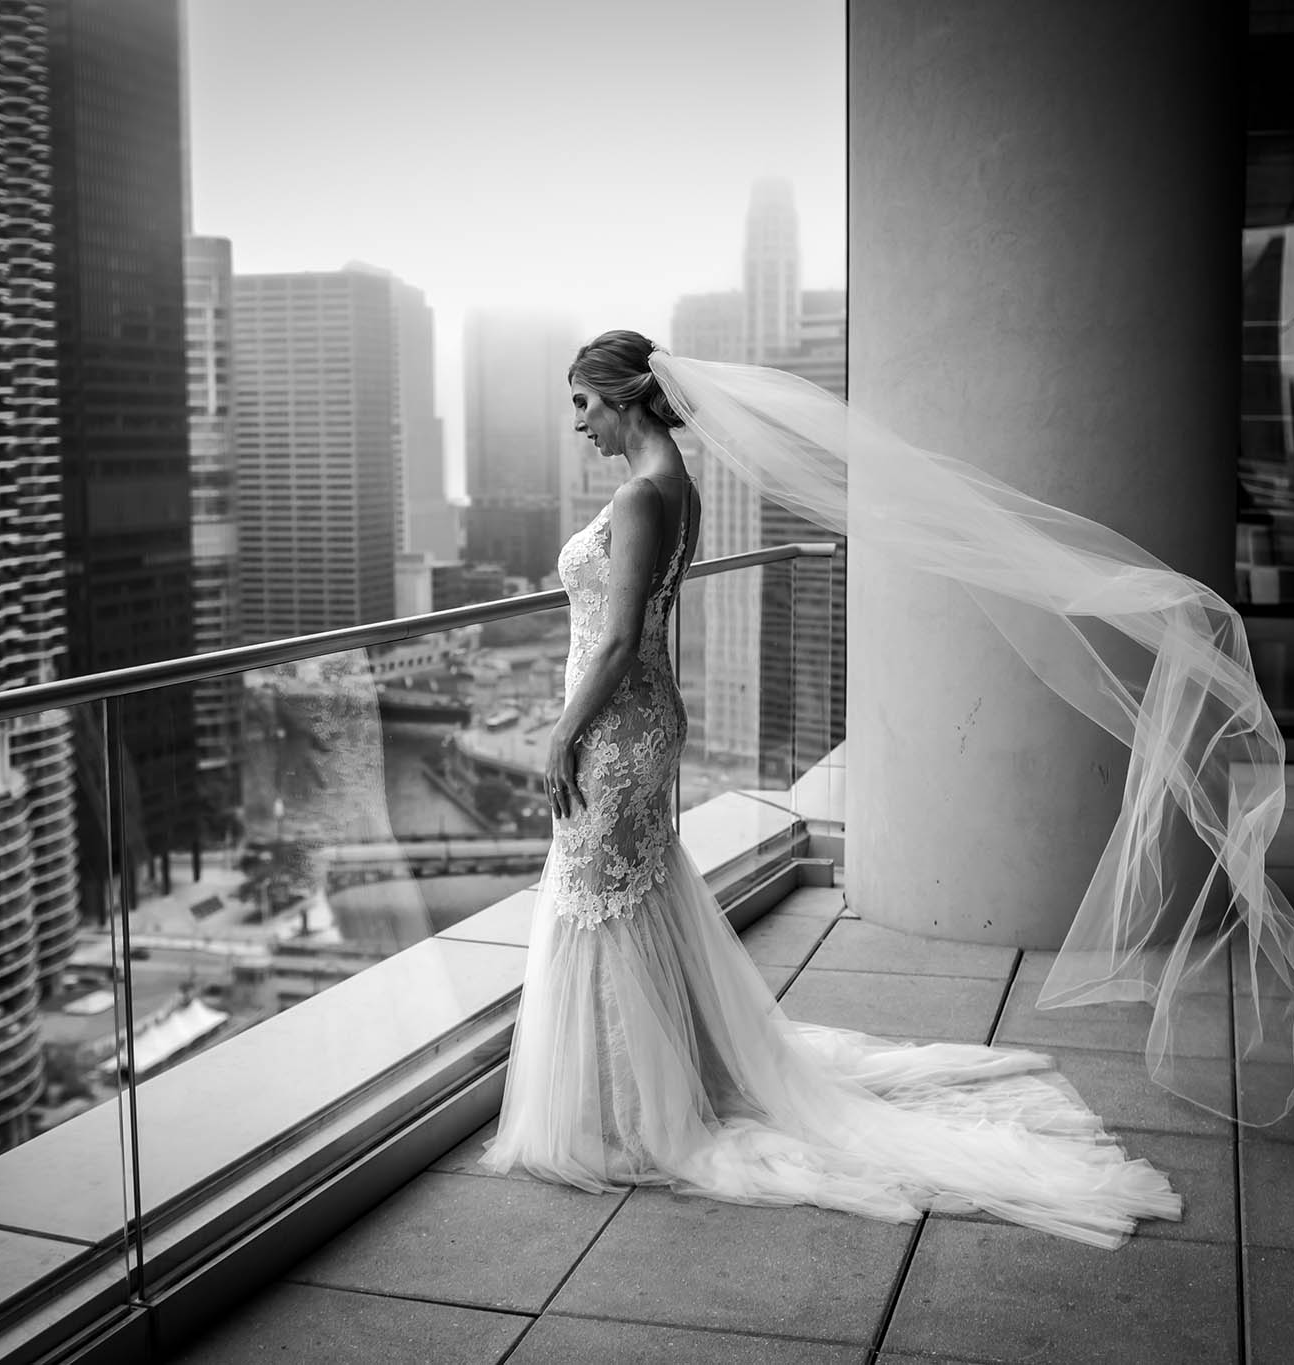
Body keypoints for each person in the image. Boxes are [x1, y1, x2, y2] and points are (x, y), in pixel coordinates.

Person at [479, 331, 1188, 1248]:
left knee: (599, 901)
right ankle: (643, 1091)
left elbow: (616, 641)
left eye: (582, 401)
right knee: (625, 903)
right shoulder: (675, 485)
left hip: (614, 729)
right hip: (636, 723)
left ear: (622, 397)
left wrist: (562, 730)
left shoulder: (642, 493)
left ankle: (627, 1113)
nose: (575, 420)